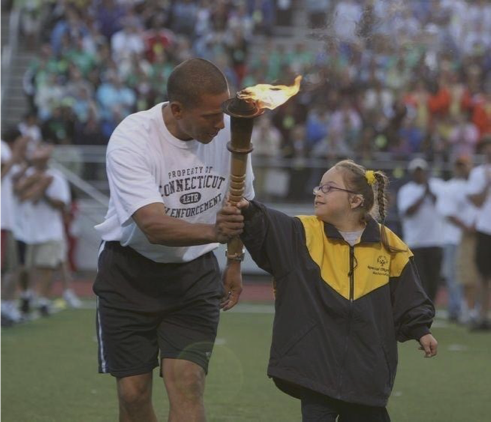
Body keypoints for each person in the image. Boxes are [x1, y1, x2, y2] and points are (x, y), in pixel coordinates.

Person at [93, 58, 254, 422]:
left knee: (188, 383)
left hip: (194, 276)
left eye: (225, 111)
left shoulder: (230, 133)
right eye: (212, 115)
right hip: (128, 273)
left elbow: (239, 204)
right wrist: (215, 232)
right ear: (178, 109)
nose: (221, 123)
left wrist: (234, 261)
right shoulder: (132, 139)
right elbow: (152, 225)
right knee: (132, 394)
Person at [224, 159, 437, 422]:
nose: (318, 193)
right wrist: (248, 209)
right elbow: (266, 223)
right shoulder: (302, 232)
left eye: (328, 188)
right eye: (319, 187)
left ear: (355, 201)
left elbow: (409, 294)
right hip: (316, 370)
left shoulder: (390, 245)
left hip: (367, 371)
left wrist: (420, 329)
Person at [397, 158, 445, 303]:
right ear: (412, 174)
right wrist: (423, 195)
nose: (420, 175)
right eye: (417, 172)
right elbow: (408, 212)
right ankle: (420, 305)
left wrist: (429, 191)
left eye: (422, 172)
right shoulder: (406, 190)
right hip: (416, 241)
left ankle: (431, 306)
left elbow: (443, 206)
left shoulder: (437, 186)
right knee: (419, 278)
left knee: (434, 278)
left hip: (435, 240)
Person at [436, 156, 478, 323]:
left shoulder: (476, 187)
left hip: (474, 236)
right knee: (454, 275)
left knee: (472, 275)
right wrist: (466, 227)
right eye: (459, 166)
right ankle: (456, 308)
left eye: (465, 165)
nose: (462, 169)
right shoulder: (450, 187)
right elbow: (446, 212)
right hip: (453, 237)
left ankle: (470, 308)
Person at [467, 138, 491, 330]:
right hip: (485, 228)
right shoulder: (477, 173)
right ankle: (483, 314)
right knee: (483, 274)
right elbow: (476, 201)